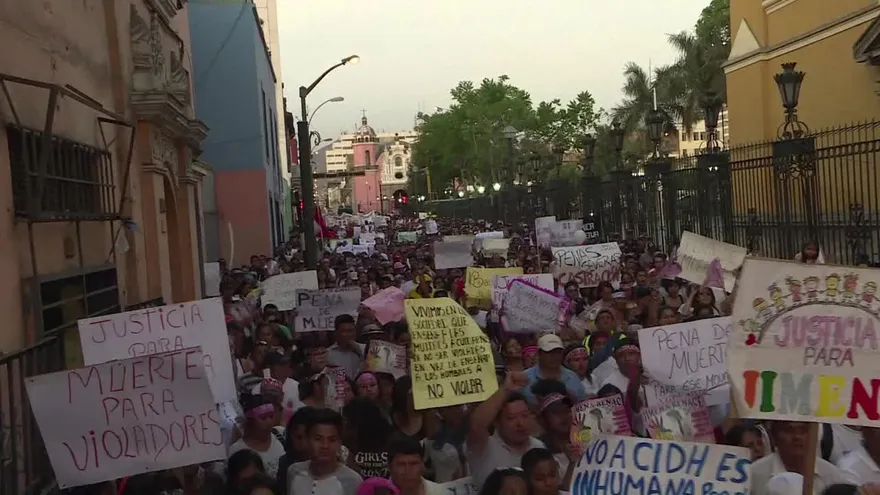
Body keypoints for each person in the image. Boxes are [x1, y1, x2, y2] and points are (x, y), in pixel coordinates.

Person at [467, 371, 545, 488]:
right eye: (511, 418)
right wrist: (506, 389)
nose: (520, 423)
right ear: (497, 422)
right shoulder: (485, 447)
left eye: (525, 415)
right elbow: (476, 425)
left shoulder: (538, 446)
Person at [750, 421, 852, 495]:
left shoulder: (833, 476)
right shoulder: (753, 475)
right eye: (789, 430)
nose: (797, 437)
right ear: (774, 437)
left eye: (803, 431)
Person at [287, 408, 363, 495]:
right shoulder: (294, 472)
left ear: (339, 442)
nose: (325, 446)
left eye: (332, 440)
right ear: (307, 439)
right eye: (318, 439)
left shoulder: (352, 480)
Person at [229, 394, 287, 478]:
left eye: (271, 416)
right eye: (263, 418)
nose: (269, 421)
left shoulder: (280, 434)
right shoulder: (237, 449)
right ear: (250, 421)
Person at [522, 334, 586, 405]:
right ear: (539, 353)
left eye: (557, 352)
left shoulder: (573, 377)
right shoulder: (524, 377)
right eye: (549, 352)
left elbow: (582, 405)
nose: (554, 356)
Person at [327, 314, 365, 380]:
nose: (350, 335)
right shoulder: (329, 354)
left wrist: (359, 352)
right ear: (336, 333)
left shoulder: (365, 349)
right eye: (345, 331)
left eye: (352, 330)